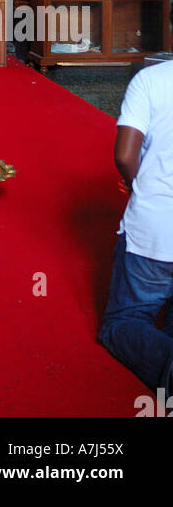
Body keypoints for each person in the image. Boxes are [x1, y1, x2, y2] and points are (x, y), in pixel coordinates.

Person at [98, 55, 173, 398]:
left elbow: (126, 156)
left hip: (155, 229)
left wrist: (135, 184)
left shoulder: (151, 80)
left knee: (122, 324)